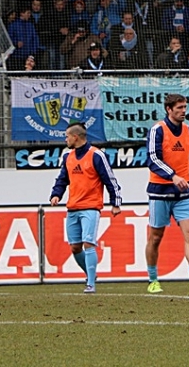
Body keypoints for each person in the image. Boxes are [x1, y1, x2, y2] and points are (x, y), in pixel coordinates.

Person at [145, 94, 189, 294]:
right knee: (156, 237)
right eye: (179, 107)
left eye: (185, 107)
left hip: (185, 194)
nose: (183, 111)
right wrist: (173, 176)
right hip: (160, 193)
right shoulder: (157, 130)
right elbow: (152, 159)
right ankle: (152, 280)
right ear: (168, 109)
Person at [50, 123, 122, 294]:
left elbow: (110, 180)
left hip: (91, 207)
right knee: (75, 247)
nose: (65, 139)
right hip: (73, 207)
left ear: (76, 137)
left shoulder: (96, 155)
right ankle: (91, 274)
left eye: (67, 136)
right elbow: (62, 179)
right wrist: (56, 194)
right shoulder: (68, 157)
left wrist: (116, 202)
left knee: (89, 243)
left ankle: (90, 283)